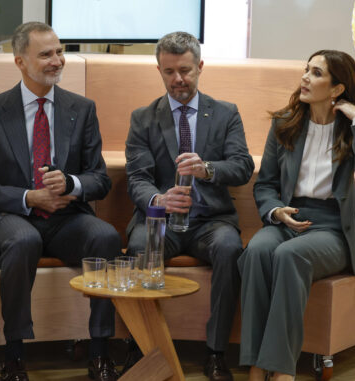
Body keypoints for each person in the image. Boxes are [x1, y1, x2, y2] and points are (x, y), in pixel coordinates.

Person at [0, 22, 120, 381]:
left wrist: (71, 184)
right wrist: (28, 196)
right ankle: (14, 354)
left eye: (59, 51)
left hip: (67, 218)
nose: (57, 61)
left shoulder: (81, 109)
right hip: (12, 216)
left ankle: (100, 350)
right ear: (19, 61)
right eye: (46, 54)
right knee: (24, 240)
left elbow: (99, 179)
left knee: (107, 237)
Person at [237, 50, 355, 381]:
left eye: (316, 73)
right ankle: (255, 362)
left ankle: (279, 369)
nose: (305, 77)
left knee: (291, 256)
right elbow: (266, 185)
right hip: (289, 216)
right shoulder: (285, 123)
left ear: (336, 89)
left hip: (334, 227)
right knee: (257, 252)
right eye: (306, 70)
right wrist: (276, 211)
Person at [124, 31, 255, 381]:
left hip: (209, 220)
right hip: (161, 220)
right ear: (159, 70)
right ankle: (144, 346)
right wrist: (160, 199)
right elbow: (137, 179)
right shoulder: (143, 118)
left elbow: (242, 167)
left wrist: (208, 169)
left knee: (230, 249)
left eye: (184, 70)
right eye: (169, 72)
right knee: (140, 245)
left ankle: (216, 352)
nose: (177, 79)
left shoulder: (226, 113)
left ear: (199, 66)